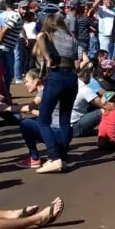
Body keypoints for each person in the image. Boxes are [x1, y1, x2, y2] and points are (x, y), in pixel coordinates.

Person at [31, 12, 80, 170]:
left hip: (56, 75)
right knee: (65, 120)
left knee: (43, 120)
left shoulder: (49, 34)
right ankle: (63, 157)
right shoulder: (70, 38)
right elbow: (78, 59)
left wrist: (47, 57)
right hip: (71, 77)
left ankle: (54, 156)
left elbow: (39, 37)